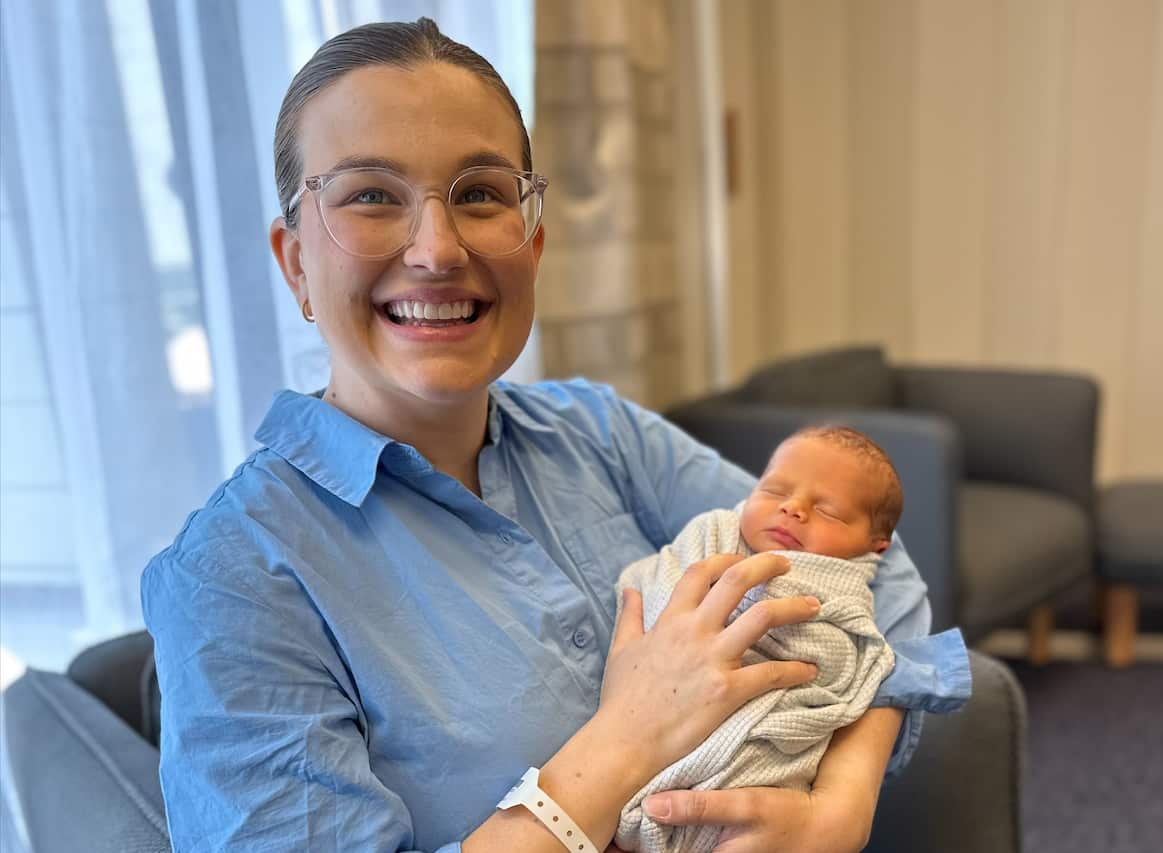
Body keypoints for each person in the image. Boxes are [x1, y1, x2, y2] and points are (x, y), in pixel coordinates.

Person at [140, 17, 971, 853]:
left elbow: (876, 571)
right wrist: (628, 734)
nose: (436, 249)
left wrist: (841, 803)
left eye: (478, 194)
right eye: (371, 196)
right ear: (294, 264)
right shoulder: (235, 575)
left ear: (532, 240)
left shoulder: (601, 434)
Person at [615, 427, 966, 853]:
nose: (792, 508)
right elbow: (657, 589)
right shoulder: (715, 533)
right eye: (774, 489)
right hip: (650, 721)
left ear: (876, 547)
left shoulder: (848, 592)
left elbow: (843, 663)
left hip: (764, 751)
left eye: (830, 512)